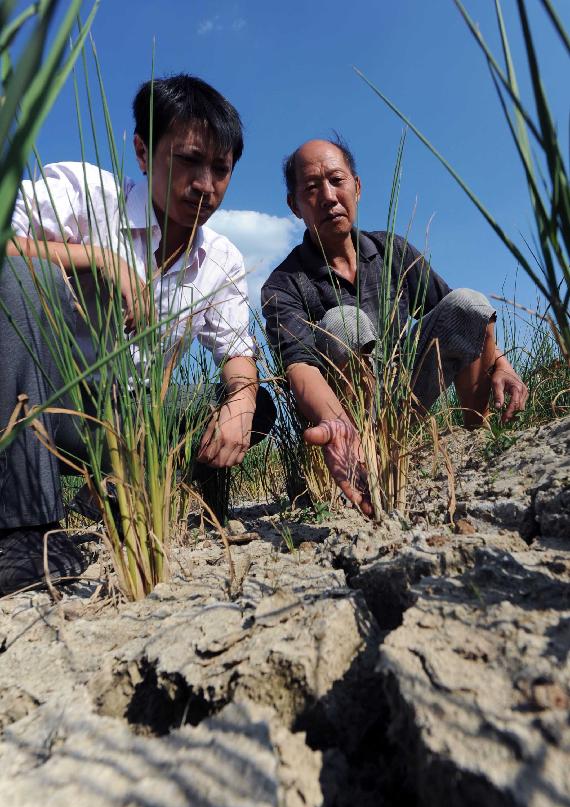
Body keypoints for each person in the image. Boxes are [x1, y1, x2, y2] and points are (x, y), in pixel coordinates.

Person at [0, 74, 275, 595]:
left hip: (138, 424)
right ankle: (24, 531)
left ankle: (133, 488)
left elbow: (237, 352)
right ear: (144, 152)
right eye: (189, 160)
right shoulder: (85, 194)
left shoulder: (222, 260)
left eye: (221, 169)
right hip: (50, 408)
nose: (205, 185)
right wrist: (95, 258)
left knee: (257, 405)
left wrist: (240, 400)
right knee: (14, 276)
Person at [261, 138, 528, 516]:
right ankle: (368, 456)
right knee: (344, 322)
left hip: (405, 393)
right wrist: (339, 427)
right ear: (294, 205)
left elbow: (457, 313)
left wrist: (501, 364)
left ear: (357, 185)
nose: (328, 196)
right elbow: (299, 366)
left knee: (471, 303)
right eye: (311, 188)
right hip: (345, 412)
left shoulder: (392, 251)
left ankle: (479, 443)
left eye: (337, 180)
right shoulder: (282, 284)